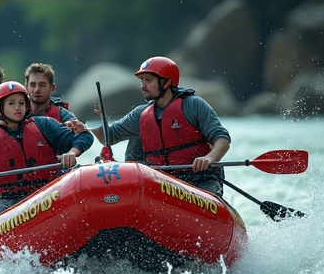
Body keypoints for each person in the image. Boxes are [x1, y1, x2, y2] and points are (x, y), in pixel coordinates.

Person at [0, 81, 94, 220]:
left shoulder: (45, 125)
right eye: (11, 103)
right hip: (7, 199)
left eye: (21, 103)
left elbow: (85, 137)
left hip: (49, 192)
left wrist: (72, 153)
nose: (18, 107)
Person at [85, 56, 231, 197]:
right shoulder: (140, 114)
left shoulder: (193, 105)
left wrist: (209, 158)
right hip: (162, 181)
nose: (143, 85)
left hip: (200, 178)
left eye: (148, 80)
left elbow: (222, 139)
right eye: (142, 80)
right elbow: (109, 136)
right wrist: (85, 129)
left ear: (166, 82)